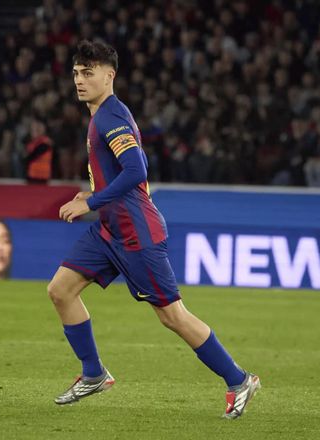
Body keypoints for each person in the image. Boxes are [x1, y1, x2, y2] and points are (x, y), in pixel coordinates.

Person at [49, 41, 260, 419]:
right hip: (109, 231)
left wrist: (91, 203)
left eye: (89, 73)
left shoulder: (111, 117)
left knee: (172, 316)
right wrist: (94, 194)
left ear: (109, 76)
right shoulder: (100, 115)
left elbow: (137, 170)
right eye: (77, 73)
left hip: (136, 234)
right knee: (60, 290)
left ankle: (239, 379)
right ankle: (94, 373)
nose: (79, 80)